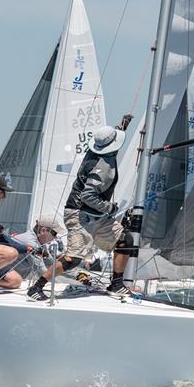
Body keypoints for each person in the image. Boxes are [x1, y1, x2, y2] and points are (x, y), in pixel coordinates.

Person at [26, 121, 135, 301]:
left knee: (125, 240)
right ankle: (36, 288)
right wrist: (110, 207)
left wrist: (121, 127)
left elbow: (108, 141)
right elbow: (88, 196)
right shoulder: (104, 168)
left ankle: (116, 284)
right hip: (80, 215)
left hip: (96, 216)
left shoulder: (95, 150)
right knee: (73, 259)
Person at [11, 215, 64, 279]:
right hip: (10, 279)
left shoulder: (38, 241)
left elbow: (51, 262)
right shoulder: (31, 243)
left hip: (21, 276)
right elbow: (42, 271)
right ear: (43, 231)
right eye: (54, 233)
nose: (55, 237)